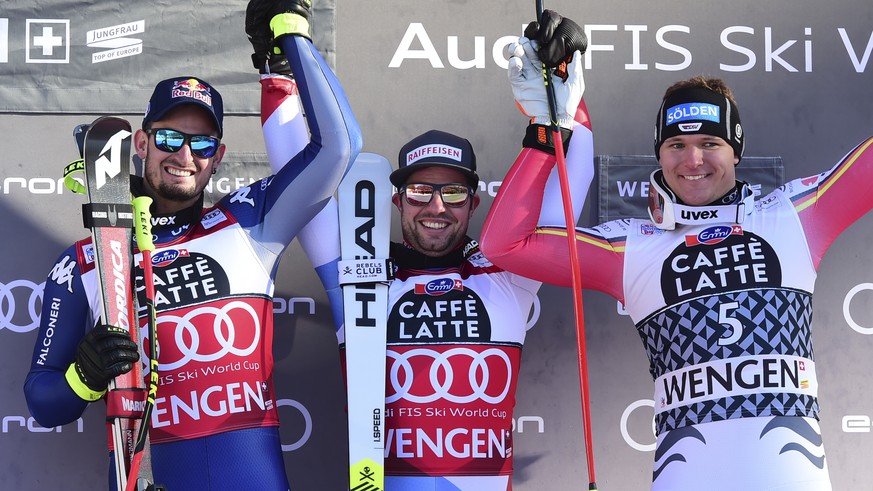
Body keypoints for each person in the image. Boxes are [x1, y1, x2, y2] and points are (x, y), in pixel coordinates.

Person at [480, 10, 873, 491]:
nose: (693, 160)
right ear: (659, 153)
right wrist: (550, 126)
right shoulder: (632, 247)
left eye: (711, 143)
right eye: (676, 145)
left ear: (736, 150)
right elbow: (506, 244)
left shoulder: (792, 214)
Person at [23, 0, 362, 489]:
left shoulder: (250, 220)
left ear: (218, 157)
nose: (184, 155)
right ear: (141, 145)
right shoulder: (87, 260)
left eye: (201, 145)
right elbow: (41, 399)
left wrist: (290, 38)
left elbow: (339, 147)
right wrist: (84, 376)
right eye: (168, 138)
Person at [264, 14, 589, 490]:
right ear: (396, 201)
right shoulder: (358, 270)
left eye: (454, 194)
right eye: (419, 191)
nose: (436, 207)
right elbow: (300, 177)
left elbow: (566, 187)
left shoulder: (506, 273)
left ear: (475, 203)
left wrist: (564, 91)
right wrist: (279, 67)